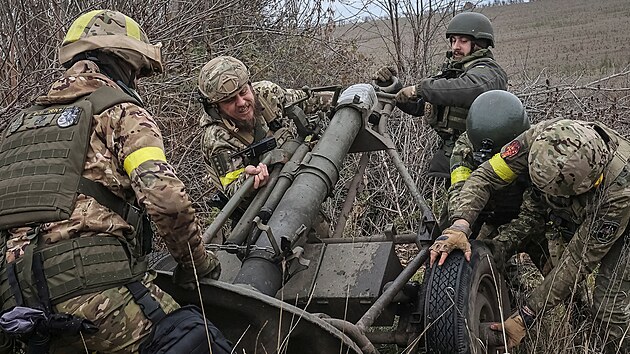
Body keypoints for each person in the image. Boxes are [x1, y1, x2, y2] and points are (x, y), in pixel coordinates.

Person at [0, 10, 227, 353]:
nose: (135, 82)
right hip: (94, 299)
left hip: (16, 314)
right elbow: (166, 200)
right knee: (197, 340)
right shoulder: (119, 111)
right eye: (135, 72)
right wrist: (196, 264)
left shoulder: (18, 126)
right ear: (121, 63)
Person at [433, 119, 630, 353]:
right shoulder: (542, 138)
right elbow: (486, 176)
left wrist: (526, 316)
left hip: (623, 223)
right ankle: (580, 321)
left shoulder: (618, 193)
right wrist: (460, 226)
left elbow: (577, 262)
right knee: (555, 268)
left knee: (609, 305)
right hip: (575, 208)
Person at [374, 12, 508, 180]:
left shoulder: (490, 73)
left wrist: (420, 89)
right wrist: (393, 87)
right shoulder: (452, 72)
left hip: (481, 158)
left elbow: (470, 89)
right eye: (453, 40)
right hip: (451, 154)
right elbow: (418, 106)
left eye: (463, 41)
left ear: (479, 44)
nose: (455, 46)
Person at [197, 56, 332, 197]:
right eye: (230, 100)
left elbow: (309, 100)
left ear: (250, 85)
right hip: (265, 202)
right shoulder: (216, 138)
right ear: (215, 107)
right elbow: (232, 188)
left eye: (243, 92)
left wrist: (345, 99)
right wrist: (248, 179)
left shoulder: (266, 94)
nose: (242, 102)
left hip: (299, 171)